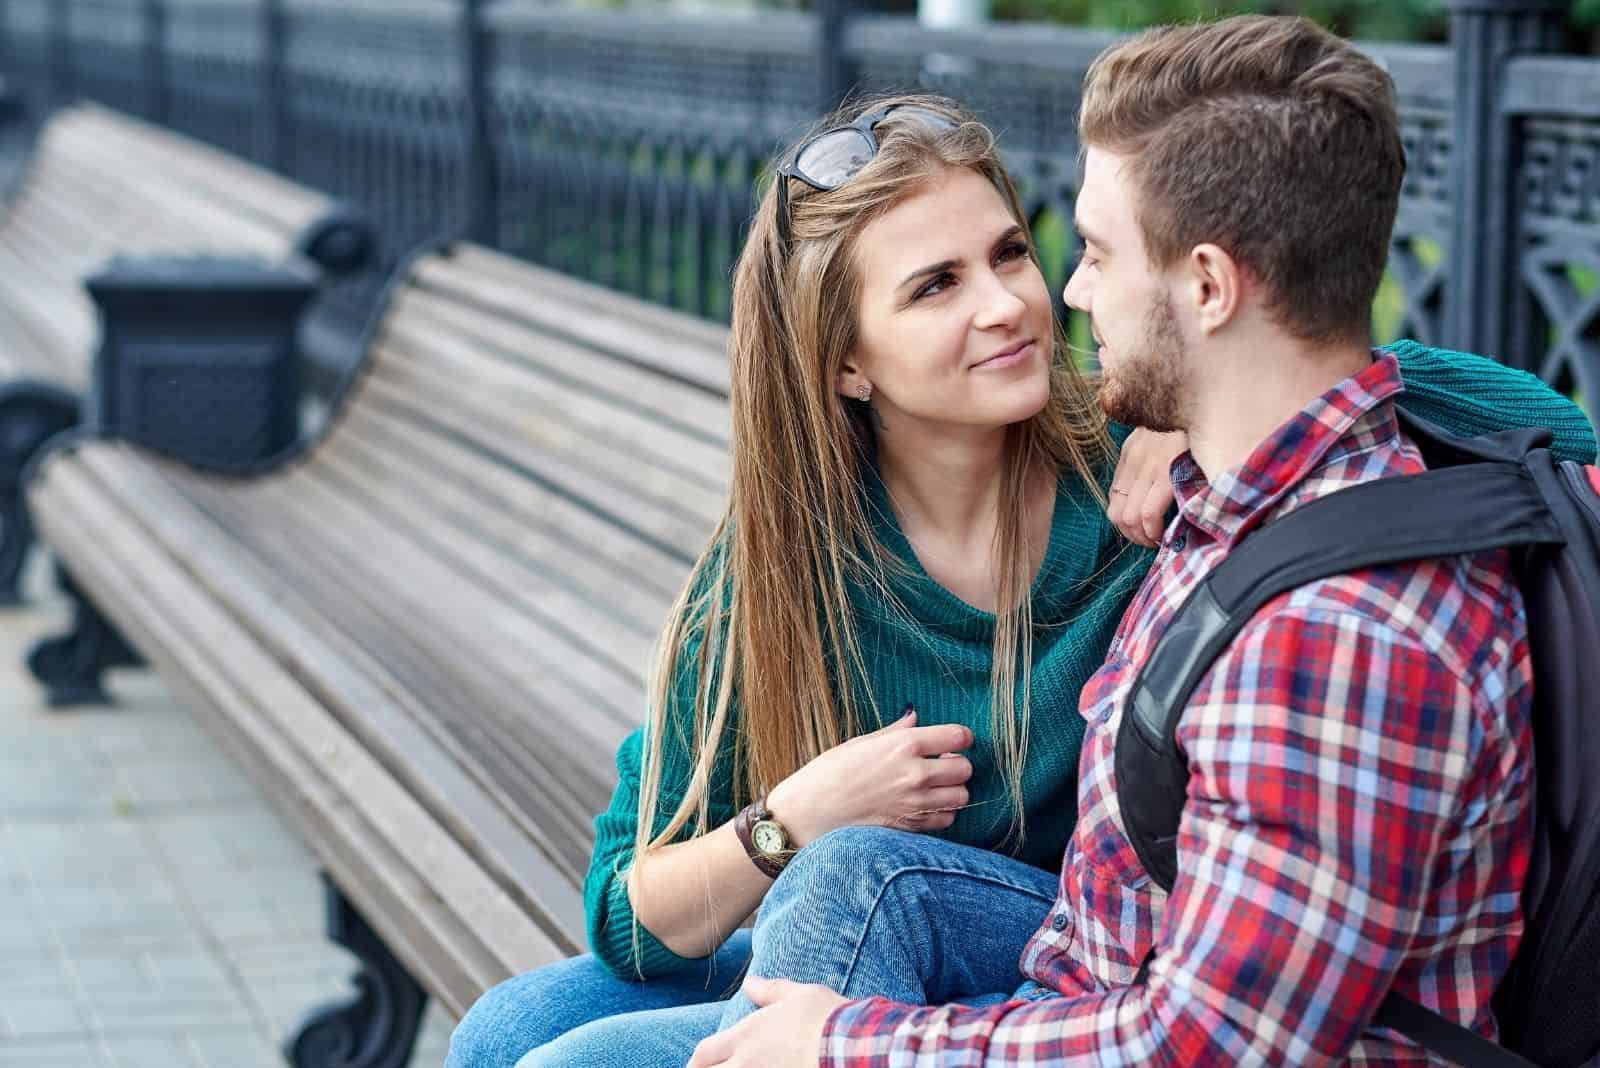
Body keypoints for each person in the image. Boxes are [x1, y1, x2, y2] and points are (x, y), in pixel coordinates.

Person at [448, 83, 1596, 1068]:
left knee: (666, 998)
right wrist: (796, 812)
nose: (1011, 305)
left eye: (1012, 252)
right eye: (935, 286)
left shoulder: (1146, 478)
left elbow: (1536, 419)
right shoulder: (787, 567)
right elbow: (627, 919)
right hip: (938, 935)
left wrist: (1200, 399)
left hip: (1090, 962)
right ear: (845, 362)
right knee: (507, 1031)